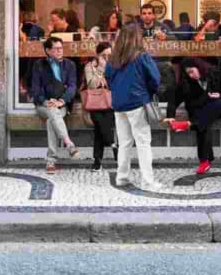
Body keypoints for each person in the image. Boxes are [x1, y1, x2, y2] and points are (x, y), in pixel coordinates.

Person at [106, 22, 162, 190]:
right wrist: (148, 92)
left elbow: (108, 79)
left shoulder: (113, 58)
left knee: (124, 143)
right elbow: (155, 79)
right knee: (143, 142)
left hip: (118, 104)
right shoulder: (141, 56)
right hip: (137, 102)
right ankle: (147, 181)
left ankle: (122, 177)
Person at [164, 58, 221, 175]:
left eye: (192, 71)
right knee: (203, 124)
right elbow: (174, 100)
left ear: (199, 67)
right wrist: (170, 116)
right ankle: (205, 161)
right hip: (199, 112)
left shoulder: (214, 73)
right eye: (188, 73)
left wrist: (220, 94)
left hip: (216, 108)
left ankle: (204, 160)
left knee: (216, 105)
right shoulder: (186, 83)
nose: (191, 75)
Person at [30, 36, 80, 173]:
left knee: (51, 120)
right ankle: (69, 143)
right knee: (52, 111)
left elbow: (72, 87)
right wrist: (45, 101)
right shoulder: (39, 65)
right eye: (56, 48)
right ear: (48, 50)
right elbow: (35, 88)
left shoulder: (70, 65)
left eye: (61, 48)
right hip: (43, 105)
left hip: (62, 105)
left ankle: (51, 161)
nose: (60, 51)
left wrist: (62, 101)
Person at [84, 42, 117, 171]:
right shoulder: (89, 67)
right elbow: (91, 85)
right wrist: (100, 70)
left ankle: (97, 161)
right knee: (99, 121)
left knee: (99, 129)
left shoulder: (114, 66)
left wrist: (107, 71)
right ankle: (113, 145)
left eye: (110, 55)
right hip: (95, 103)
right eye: (104, 55)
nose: (107, 58)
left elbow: (114, 84)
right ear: (97, 55)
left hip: (110, 102)